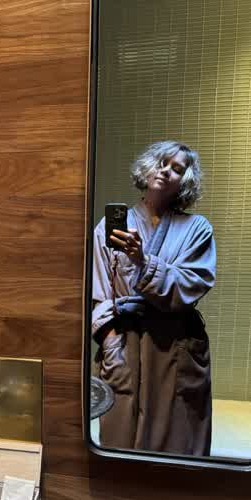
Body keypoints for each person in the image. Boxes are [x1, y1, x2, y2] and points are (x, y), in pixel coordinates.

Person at [92, 141, 216, 456]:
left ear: (184, 181)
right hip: (125, 343)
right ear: (147, 167)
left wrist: (143, 261)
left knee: (177, 443)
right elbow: (99, 293)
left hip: (174, 346)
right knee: (120, 439)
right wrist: (111, 346)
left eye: (177, 168)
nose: (166, 171)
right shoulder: (111, 226)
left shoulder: (197, 229)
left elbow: (193, 283)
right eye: (162, 163)